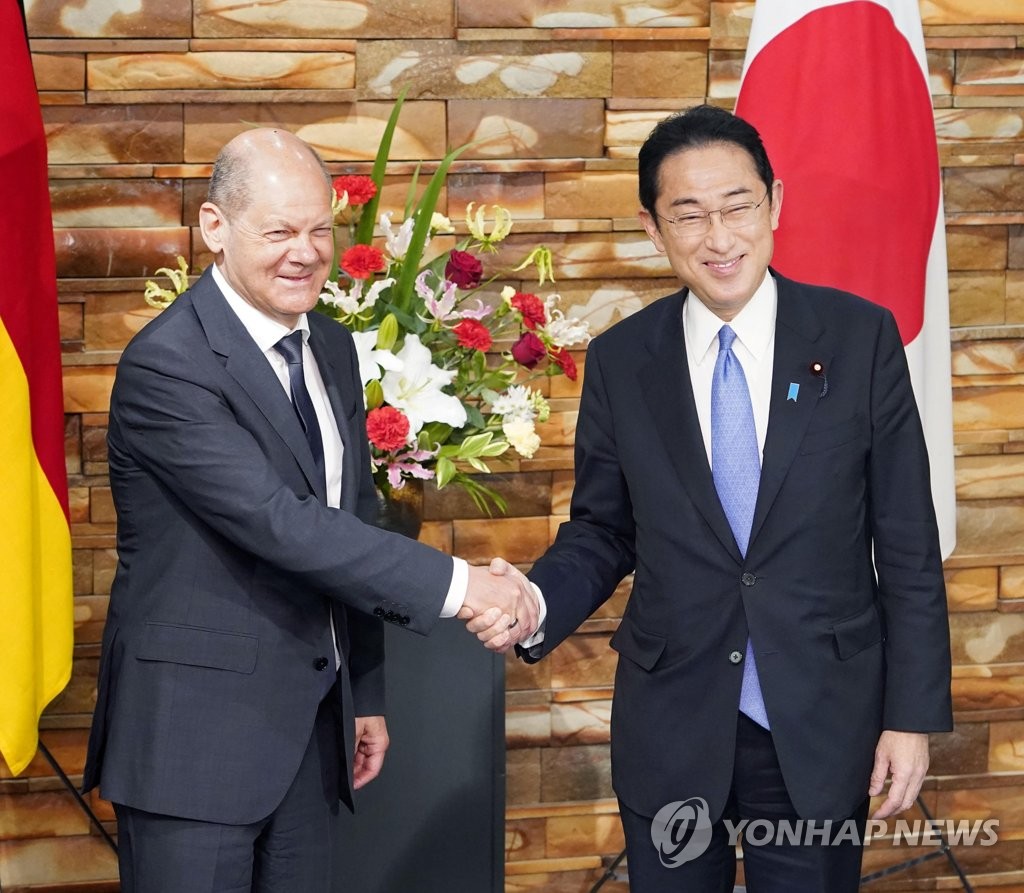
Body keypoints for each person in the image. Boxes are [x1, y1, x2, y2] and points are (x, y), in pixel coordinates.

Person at [480, 104, 952, 891]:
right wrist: (533, 599)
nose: (719, 237)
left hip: (817, 718)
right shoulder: (624, 360)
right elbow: (603, 529)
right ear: (653, 227)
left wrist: (909, 715)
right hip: (673, 716)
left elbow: (905, 539)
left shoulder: (860, 338)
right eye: (689, 215)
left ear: (775, 202)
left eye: (738, 206)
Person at [82, 128, 536, 892]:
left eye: (321, 229)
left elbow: (351, 515)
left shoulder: (330, 344)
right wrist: (467, 589)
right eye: (280, 231)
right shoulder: (169, 365)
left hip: (309, 731)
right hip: (192, 746)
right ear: (215, 228)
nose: (306, 252)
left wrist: (365, 689)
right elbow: (281, 522)